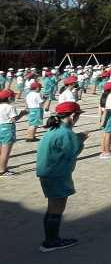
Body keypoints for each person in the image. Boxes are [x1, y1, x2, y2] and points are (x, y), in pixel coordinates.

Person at [36, 101, 87, 252]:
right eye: (77, 115)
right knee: (57, 208)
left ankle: (50, 239)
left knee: (52, 207)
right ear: (72, 115)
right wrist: (81, 140)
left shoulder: (54, 129)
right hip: (57, 174)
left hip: (47, 172)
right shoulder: (66, 133)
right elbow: (72, 153)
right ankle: (51, 241)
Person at [0, 88, 25, 176]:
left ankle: (1, 167)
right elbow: (14, 120)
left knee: (0, 150)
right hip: (7, 128)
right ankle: (2, 170)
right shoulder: (10, 107)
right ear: (9, 98)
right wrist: (22, 114)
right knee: (5, 152)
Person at [97, 81, 111, 159]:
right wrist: (103, 121)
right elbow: (107, 110)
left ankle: (104, 151)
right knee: (108, 134)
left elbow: (100, 107)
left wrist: (100, 118)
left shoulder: (104, 95)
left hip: (104, 115)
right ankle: (107, 152)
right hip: (110, 115)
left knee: (105, 134)